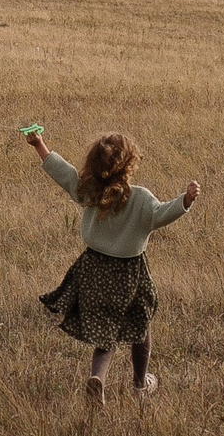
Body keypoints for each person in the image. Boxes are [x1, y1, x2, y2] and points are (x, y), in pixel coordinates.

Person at [24, 129, 199, 402]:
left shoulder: (90, 190)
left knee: (107, 333)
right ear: (130, 164)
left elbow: (65, 175)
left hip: (92, 269)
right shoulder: (140, 198)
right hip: (129, 274)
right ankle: (140, 384)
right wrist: (185, 201)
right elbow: (161, 215)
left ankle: (98, 378)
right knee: (140, 326)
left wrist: (40, 145)